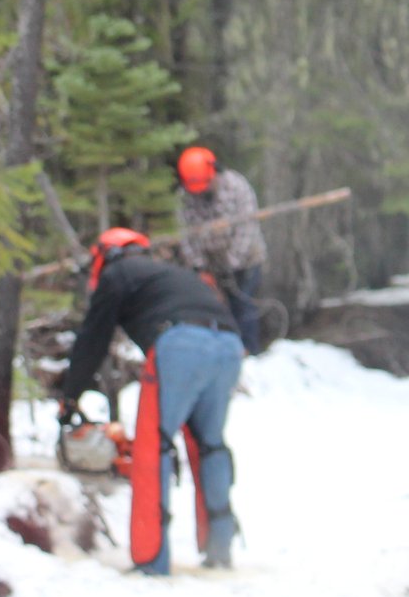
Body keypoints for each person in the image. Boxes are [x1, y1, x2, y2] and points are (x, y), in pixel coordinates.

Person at [58, 227, 241, 573]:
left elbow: (93, 338)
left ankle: (151, 559)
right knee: (210, 445)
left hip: (180, 343)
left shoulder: (118, 273)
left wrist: (70, 396)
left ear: (105, 256)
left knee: (152, 447)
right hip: (229, 344)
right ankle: (220, 548)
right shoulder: (171, 274)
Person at [175, 145, 264, 352]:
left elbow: (247, 230)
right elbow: (185, 234)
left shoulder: (237, 187)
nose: (200, 192)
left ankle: (249, 351)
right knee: (212, 308)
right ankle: (221, 352)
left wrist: (231, 264)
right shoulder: (185, 196)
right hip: (210, 264)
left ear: (214, 171)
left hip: (244, 260)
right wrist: (199, 267)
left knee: (243, 304)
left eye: (204, 185)